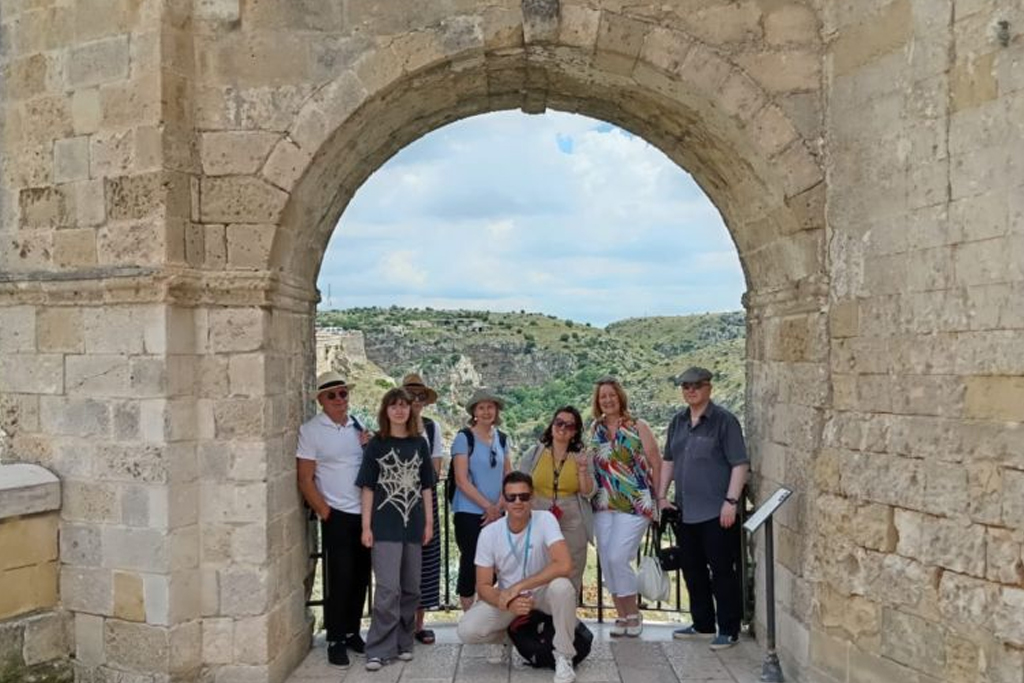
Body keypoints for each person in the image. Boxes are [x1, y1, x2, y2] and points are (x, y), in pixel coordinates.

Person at [658, 366, 749, 650]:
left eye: (696, 385)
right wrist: (661, 496)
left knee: (722, 571)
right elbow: (669, 461)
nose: (690, 390)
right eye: (685, 386)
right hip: (685, 511)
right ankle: (703, 623)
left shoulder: (724, 421)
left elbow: (740, 464)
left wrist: (731, 502)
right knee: (693, 570)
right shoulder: (677, 422)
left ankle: (729, 628)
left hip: (717, 512)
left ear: (709, 387)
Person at [457, 471, 579, 683]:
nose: (518, 502)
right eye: (511, 497)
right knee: (467, 630)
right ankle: (506, 639)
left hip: (541, 592)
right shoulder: (489, 533)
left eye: (523, 496)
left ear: (532, 497)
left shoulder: (545, 520)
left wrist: (521, 585)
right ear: (503, 499)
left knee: (563, 587)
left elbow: (565, 564)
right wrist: (508, 601)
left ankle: (564, 656)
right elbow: (483, 586)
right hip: (509, 596)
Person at [356, 388, 436, 671]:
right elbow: (367, 487)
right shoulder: (376, 445)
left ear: (410, 410)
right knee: (388, 589)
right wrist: (366, 526)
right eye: (394, 406)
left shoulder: (419, 445)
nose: (400, 410)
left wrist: (429, 523)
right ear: (385, 411)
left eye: (404, 405)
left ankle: (404, 642)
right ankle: (378, 648)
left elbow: (427, 487)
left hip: (413, 526)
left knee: (411, 588)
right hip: (384, 526)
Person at [296, 371, 372, 668]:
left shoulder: (356, 426)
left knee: (361, 576)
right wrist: (325, 512)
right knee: (339, 579)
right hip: (337, 515)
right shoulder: (311, 431)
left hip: (363, 515)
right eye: (333, 395)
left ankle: (353, 631)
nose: (340, 399)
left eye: (343, 393)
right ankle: (335, 639)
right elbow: (305, 478)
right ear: (321, 400)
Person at [587, 376, 662, 637]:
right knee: (607, 562)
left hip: (634, 502)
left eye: (611, 395)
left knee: (619, 557)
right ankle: (621, 616)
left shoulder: (637, 425)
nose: (607, 400)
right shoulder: (595, 430)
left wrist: (659, 498)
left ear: (620, 397)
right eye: (602, 397)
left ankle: (634, 613)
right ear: (597, 402)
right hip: (603, 504)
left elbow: (656, 462)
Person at [517, 406, 595, 594]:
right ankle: (537, 616)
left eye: (569, 425)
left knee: (572, 567)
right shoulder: (535, 454)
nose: (563, 428)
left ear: (575, 432)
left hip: (572, 517)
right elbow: (520, 483)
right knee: (536, 565)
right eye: (559, 422)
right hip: (538, 513)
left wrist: (583, 471)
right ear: (552, 425)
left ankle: (566, 615)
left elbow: (589, 492)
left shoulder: (581, 457)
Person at [451, 388, 512, 610]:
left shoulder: (503, 439)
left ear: (496, 411)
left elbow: (508, 476)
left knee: (497, 563)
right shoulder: (463, 438)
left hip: (498, 513)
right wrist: (489, 507)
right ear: (474, 412)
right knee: (471, 562)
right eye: (481, 407)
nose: (486, 412)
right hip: (469, 513)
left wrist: (499, 507)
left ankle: (486, 609)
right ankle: (468, 615)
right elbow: (461, 479)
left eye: (490, 407)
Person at [400, 373, 444, 645]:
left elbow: (435, 470)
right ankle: (400, 624)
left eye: (419, 396)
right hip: (398, 504)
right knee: (399, 564)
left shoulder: (431, 428)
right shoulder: (391, 426)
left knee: (426, 563)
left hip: (425, 501)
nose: (415, 401)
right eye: (410, 396)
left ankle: (418, 625)